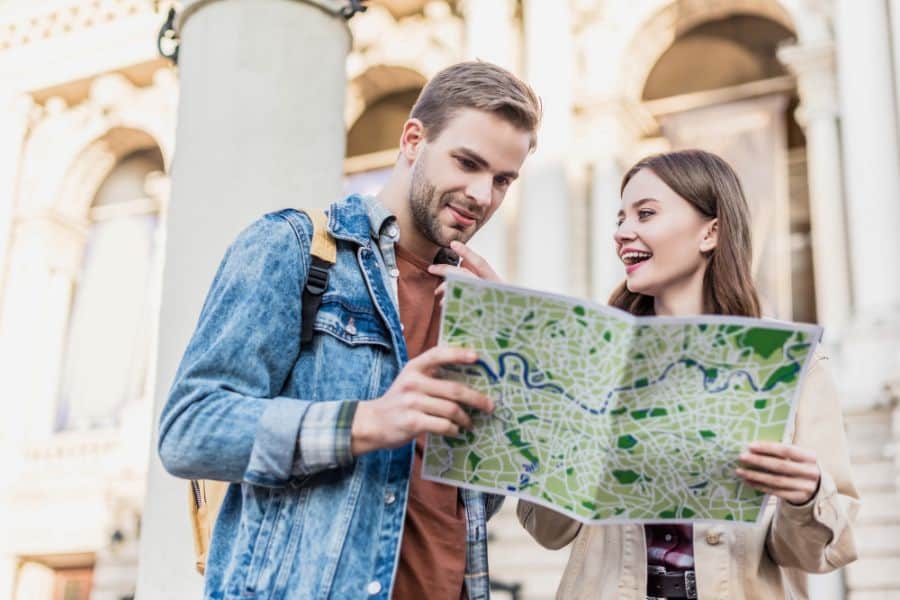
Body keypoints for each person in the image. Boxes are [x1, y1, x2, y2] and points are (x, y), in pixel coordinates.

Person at [158, 61, 541, 599]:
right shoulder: (291, 246)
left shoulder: (476, 306)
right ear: (413, 140)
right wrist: (368, 422)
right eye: (467, 163)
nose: (483, 194)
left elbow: (469, 503)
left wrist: (512, 346)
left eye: (503, 179)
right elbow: (188, 430)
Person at [515, 149, 860, 599]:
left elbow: (820, 551)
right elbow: (547, 530)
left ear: (711, 232)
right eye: (620, 219)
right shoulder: (593, 361)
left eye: (645, 214)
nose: (622, 233)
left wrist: (806, 495)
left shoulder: (790, 366)